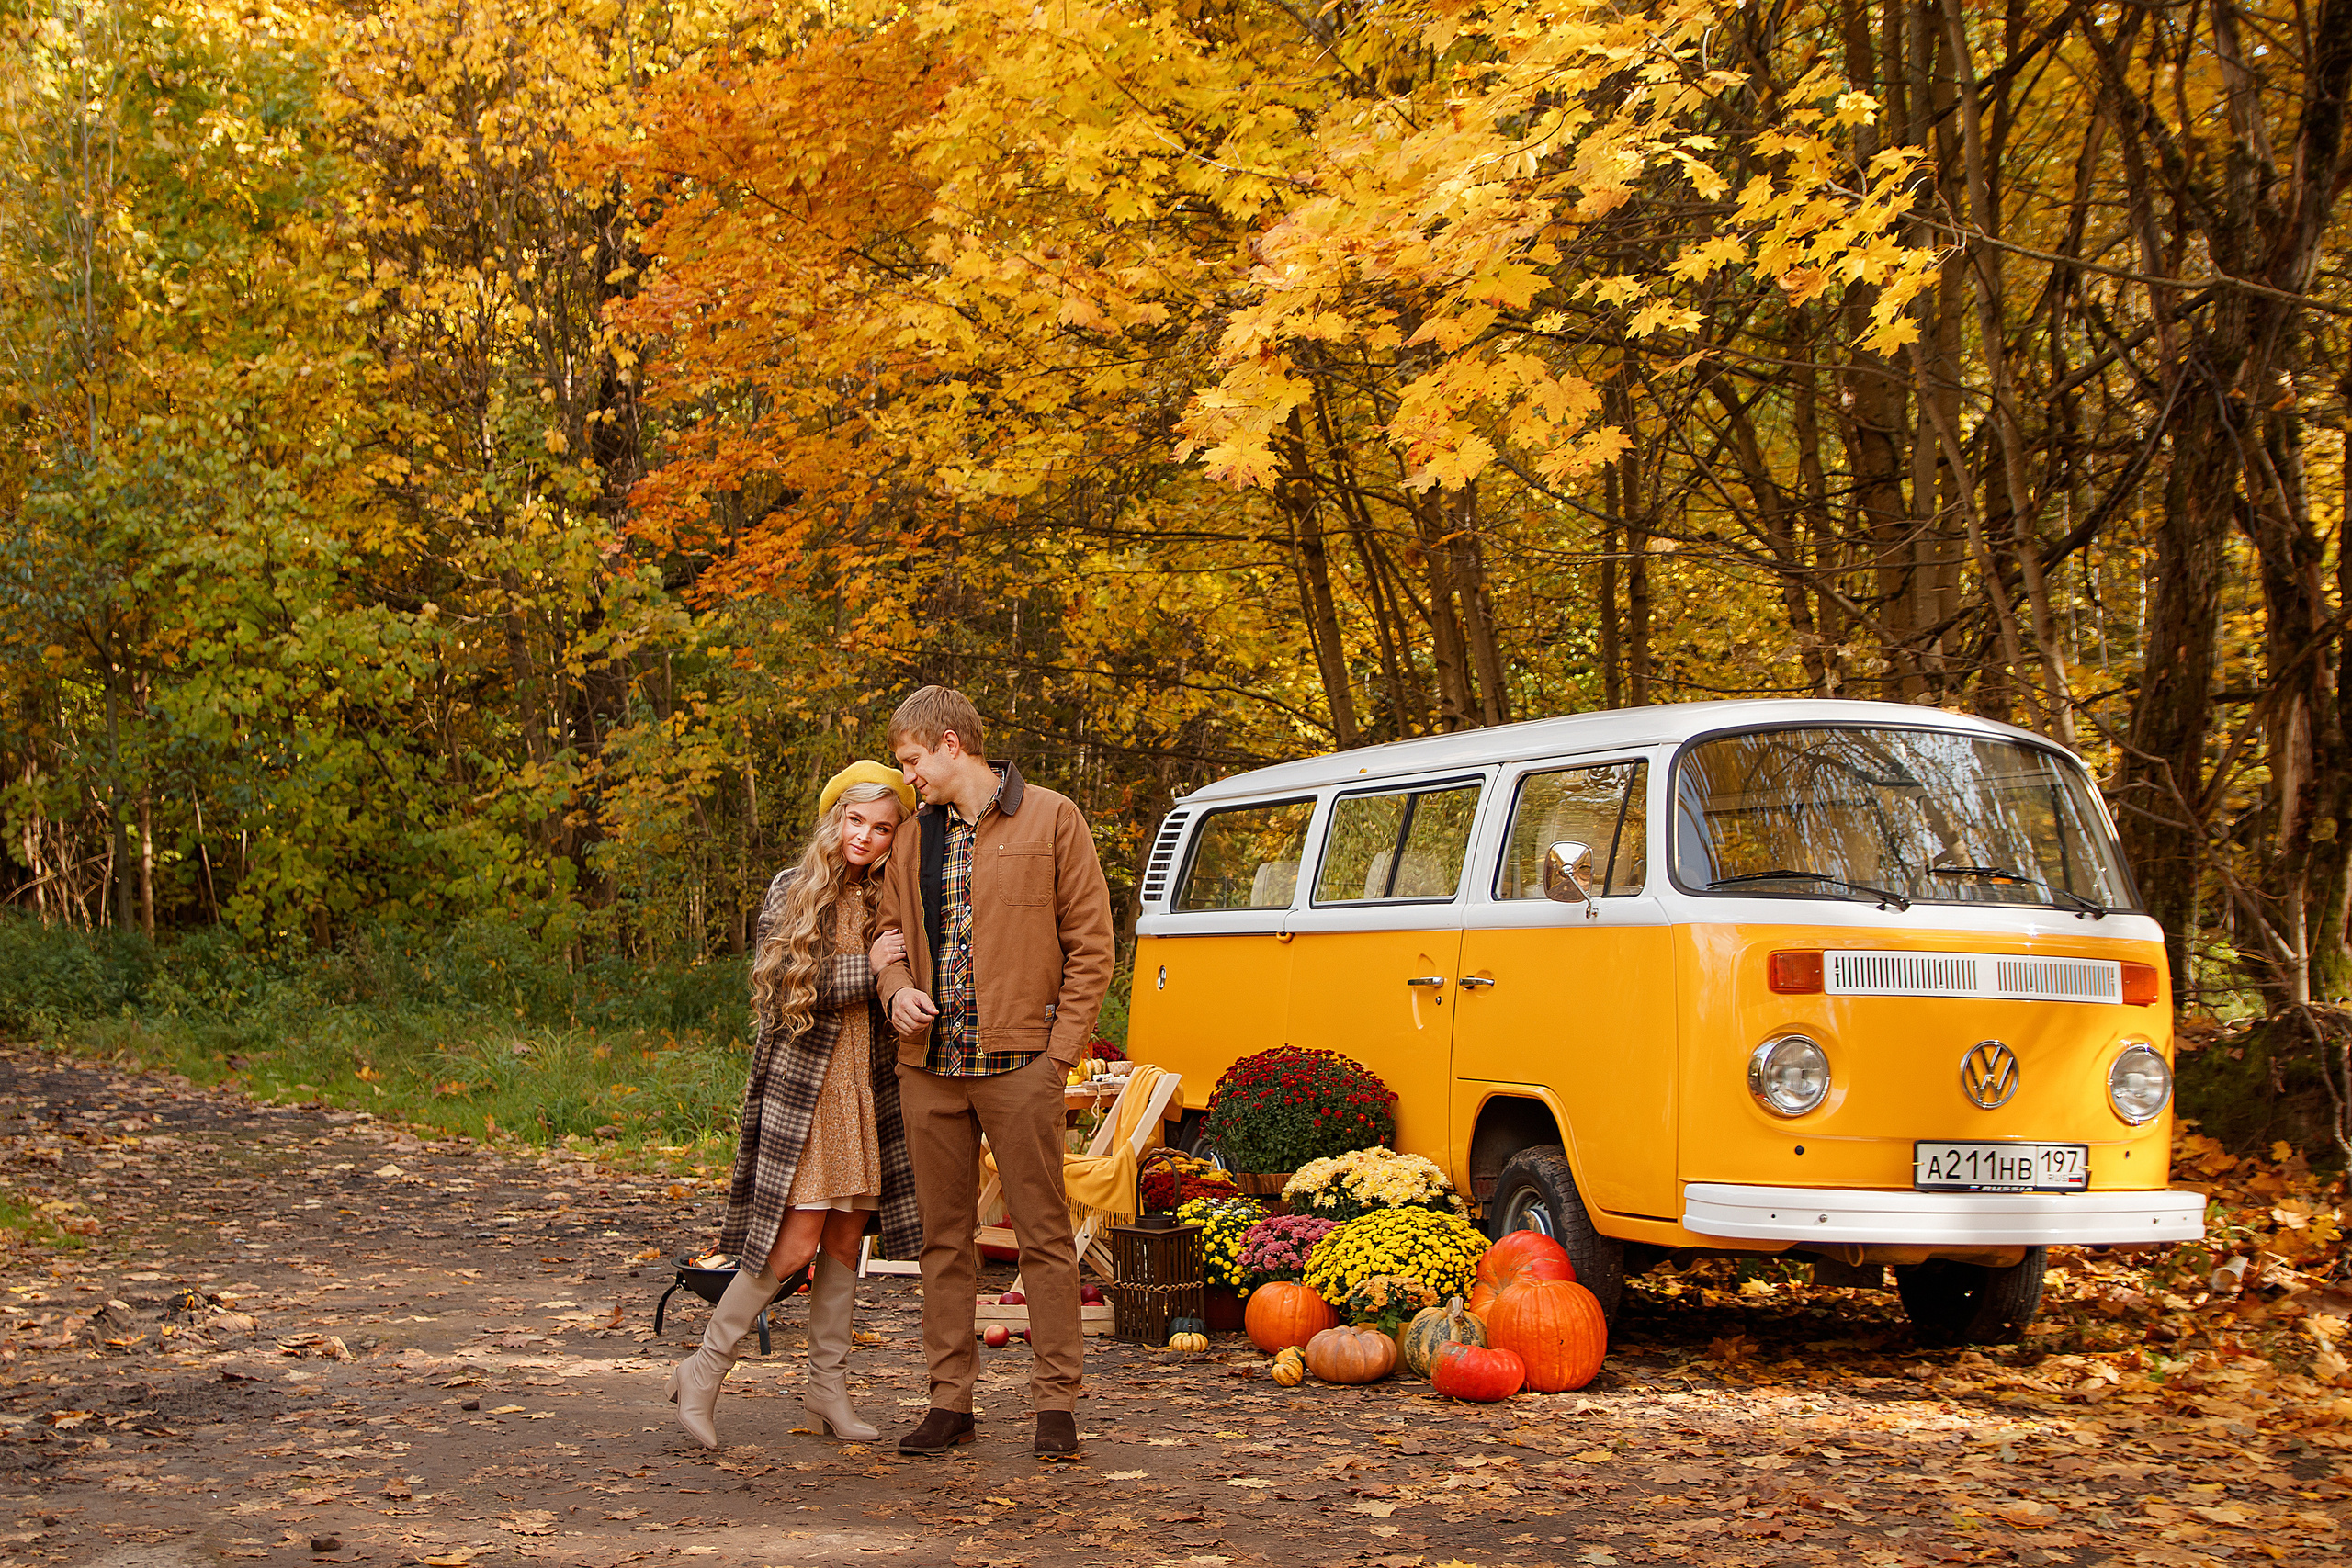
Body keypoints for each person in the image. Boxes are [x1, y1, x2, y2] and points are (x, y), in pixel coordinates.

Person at [872, 686, 1114, 1461]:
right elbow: (888, 935)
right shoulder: (915, 837)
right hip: (930, 1069)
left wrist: (1058, 1057)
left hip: (1021, 1067)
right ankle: (950, 1402)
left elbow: (1093, 946)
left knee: (1043, 1236)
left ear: (951, 743)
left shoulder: (1053, 817)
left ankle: (1056, 1405)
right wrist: (894, 990)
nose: (908, 775)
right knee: (943, 1241)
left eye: (912, 759)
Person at [667, 762, 925, 1450]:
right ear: (833, 818)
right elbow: (786, 986)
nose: (865, 837)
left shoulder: (889, 898)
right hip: (807, 1092)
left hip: (867, 1091)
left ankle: (826, 1388)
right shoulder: (794, 887)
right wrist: (872, 967)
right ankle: (703, 1370)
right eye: (854, 820)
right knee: (793, 1245)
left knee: (845, 1242)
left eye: (882, 827)